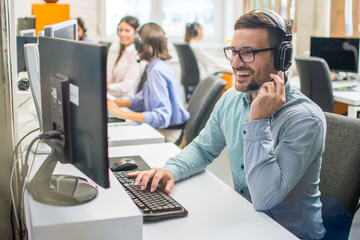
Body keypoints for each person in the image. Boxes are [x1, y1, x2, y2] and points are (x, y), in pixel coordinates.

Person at [128, 10, 326, 240]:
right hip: (245, 220)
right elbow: (202, 149)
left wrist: (258, 121)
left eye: (248, 53)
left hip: (289, 234)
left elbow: (264, 198)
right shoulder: (231, 99)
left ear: (281, 57)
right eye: (233, 52)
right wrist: (170, 170)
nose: (235, 62)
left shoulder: (304, 119)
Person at [107, 23, 190, 129]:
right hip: (169, 127)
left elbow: (161, 117)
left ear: (139, 45)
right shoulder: (157, 65)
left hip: (169, 132)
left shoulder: (156, 71)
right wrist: (111, 103)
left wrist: (121, 113)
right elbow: (140, 101)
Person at [107, 16, 147, 98]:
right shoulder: (124, 51)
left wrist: (107, 87)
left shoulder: (137, 54)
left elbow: (127, 86)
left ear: (136, 34)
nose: (122, 34)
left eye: (127, 31)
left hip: (124, 101)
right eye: (120, 30)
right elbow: (113, 78)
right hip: (113, 96)